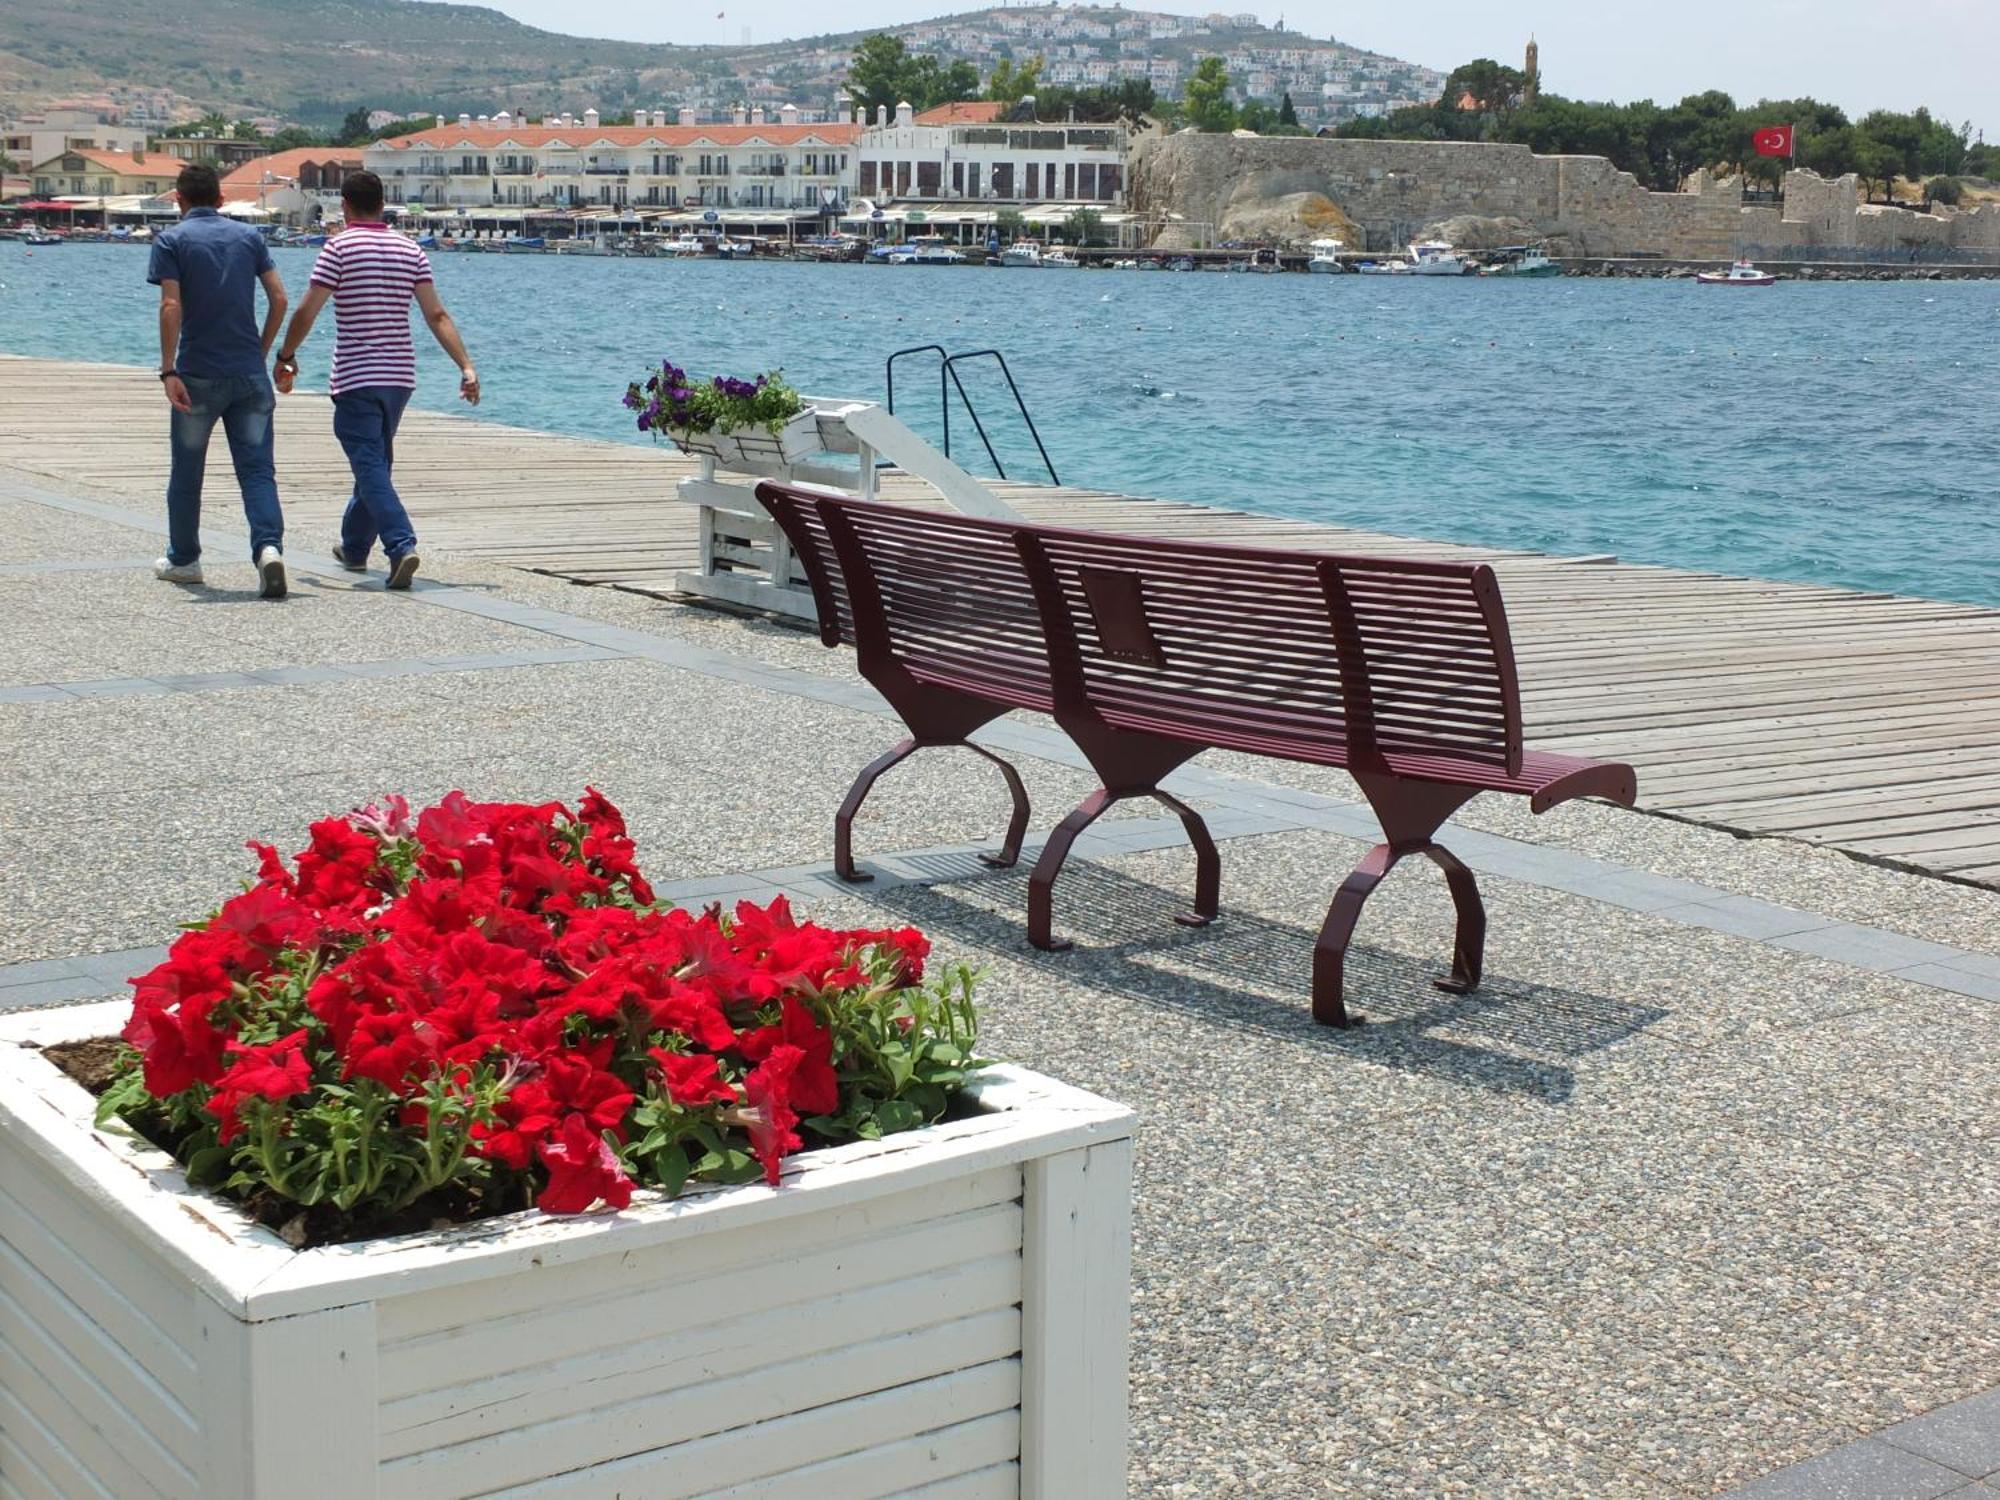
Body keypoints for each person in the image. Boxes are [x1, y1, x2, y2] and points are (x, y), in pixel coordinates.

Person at [273, 171, 479, 590]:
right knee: (374, 463)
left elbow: (308, 310)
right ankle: (353, 548)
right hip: (399, 378)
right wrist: (466, 366)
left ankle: (401, 544)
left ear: (345, 206)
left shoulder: (339, 248)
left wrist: (286, 355)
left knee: (369, 463)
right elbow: (436, 315)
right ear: (382, 204)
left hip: (355, 376)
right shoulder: (411, 250)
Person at [149, 163, 290, 598]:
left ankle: (185, 559)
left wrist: (169, 368)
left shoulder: (171, 240)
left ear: (178, 199)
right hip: (249, 374)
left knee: (188, 471)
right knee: (258, 469)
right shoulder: (249, 238)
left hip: (198, 376)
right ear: (222, 199)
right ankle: (268, 549)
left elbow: (171, 306)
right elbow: (280, 298)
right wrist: (262, 352)